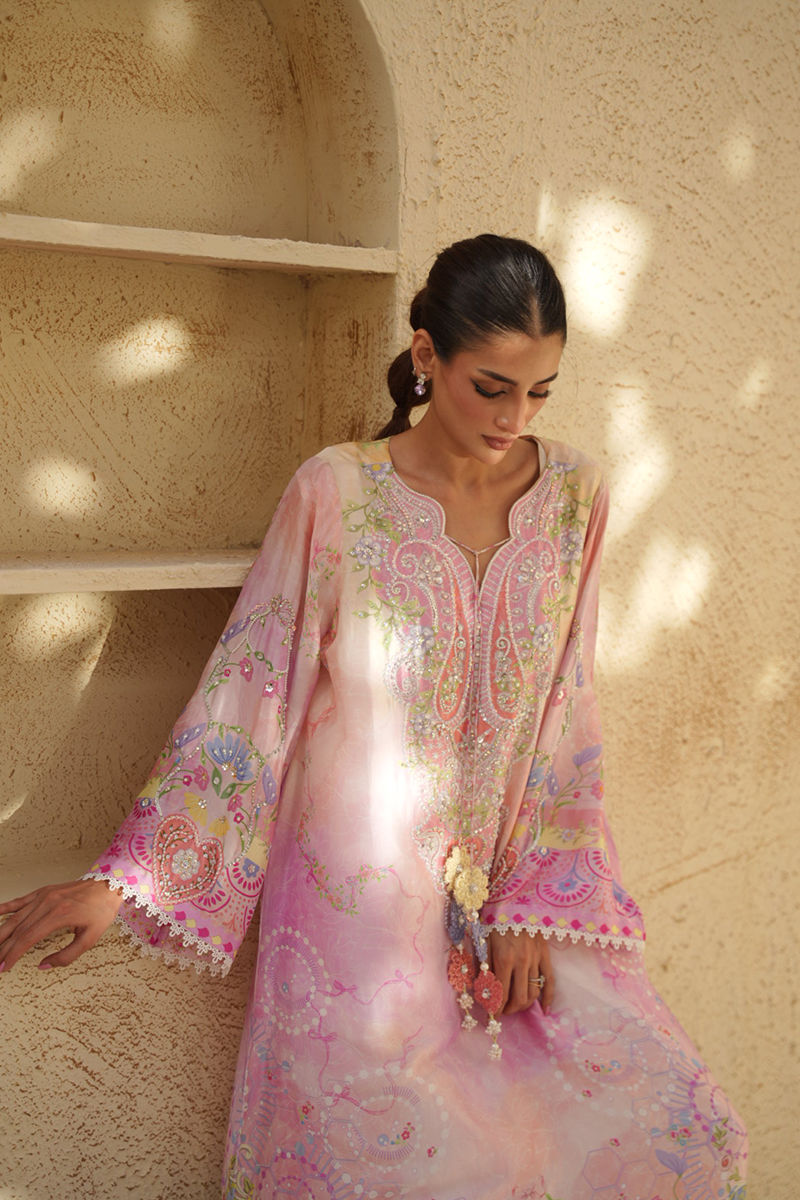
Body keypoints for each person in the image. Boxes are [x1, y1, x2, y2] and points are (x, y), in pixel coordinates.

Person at [0, 235, 747, 1198]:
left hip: (513, 884)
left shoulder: (574, 498)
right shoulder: (339, 491)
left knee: (676, 1130)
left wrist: (530, 901)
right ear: (427, 353)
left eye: (540, 392)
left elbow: (570, 701)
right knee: (384, 1167)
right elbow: (254, 680)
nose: (514, 418)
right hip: (356, 910)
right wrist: (128, 881)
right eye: (491, 387)